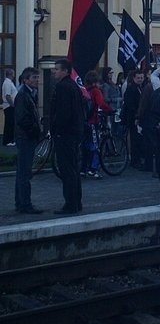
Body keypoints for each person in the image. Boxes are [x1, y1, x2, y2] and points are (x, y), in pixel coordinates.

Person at [49, 58, 86, 215]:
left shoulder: (62, 87)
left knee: (67, 170)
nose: (54, 71)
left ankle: (70, 203)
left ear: (65, 71)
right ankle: (76, 202)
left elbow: (63, 113)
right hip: (74, 133)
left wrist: (55, 129)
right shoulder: (74, 87)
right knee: (73, 169)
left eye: (57, 69)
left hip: (64, 134)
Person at [14, 67, 44, 214]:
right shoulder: (22, 95)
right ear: (25, 80)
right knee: (25, 172)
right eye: (34, 78)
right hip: (25, 137)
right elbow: (21, 118)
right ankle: (25, 204)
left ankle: (20, 202)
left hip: (27, 136)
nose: (37, 80)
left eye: (37, 78)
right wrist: (34, 130)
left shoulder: (30, 94)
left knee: (22, 171)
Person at [83, 70, 113, 178]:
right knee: (95, 146)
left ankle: (83, 168)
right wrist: (110, 110)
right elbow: (101, 103)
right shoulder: (96, 91)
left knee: (85, 145)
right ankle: (94, 169)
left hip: (83, 122)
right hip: (92, 121)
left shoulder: (83, 90)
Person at [121, 68, 145, 168]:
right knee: (134, 140)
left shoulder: (139, 88)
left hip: (137, 117)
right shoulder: (131, 89)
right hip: (132, 118)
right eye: (138, 78)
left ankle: (137, 159)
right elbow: (130, 105)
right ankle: (135, 160)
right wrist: (136, 117)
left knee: (138, 139)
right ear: (134, 78)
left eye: (141, 78)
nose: (140, 79)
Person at [2, 67, 18, 146]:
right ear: (11, 74)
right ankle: (8, 141)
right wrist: (13, 105)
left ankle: (10, 140)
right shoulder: (7, 83)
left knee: (11, 123)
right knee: (9, 123)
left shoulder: (9, 82)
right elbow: (8, 96)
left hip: (9, 106)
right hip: (9, 106)